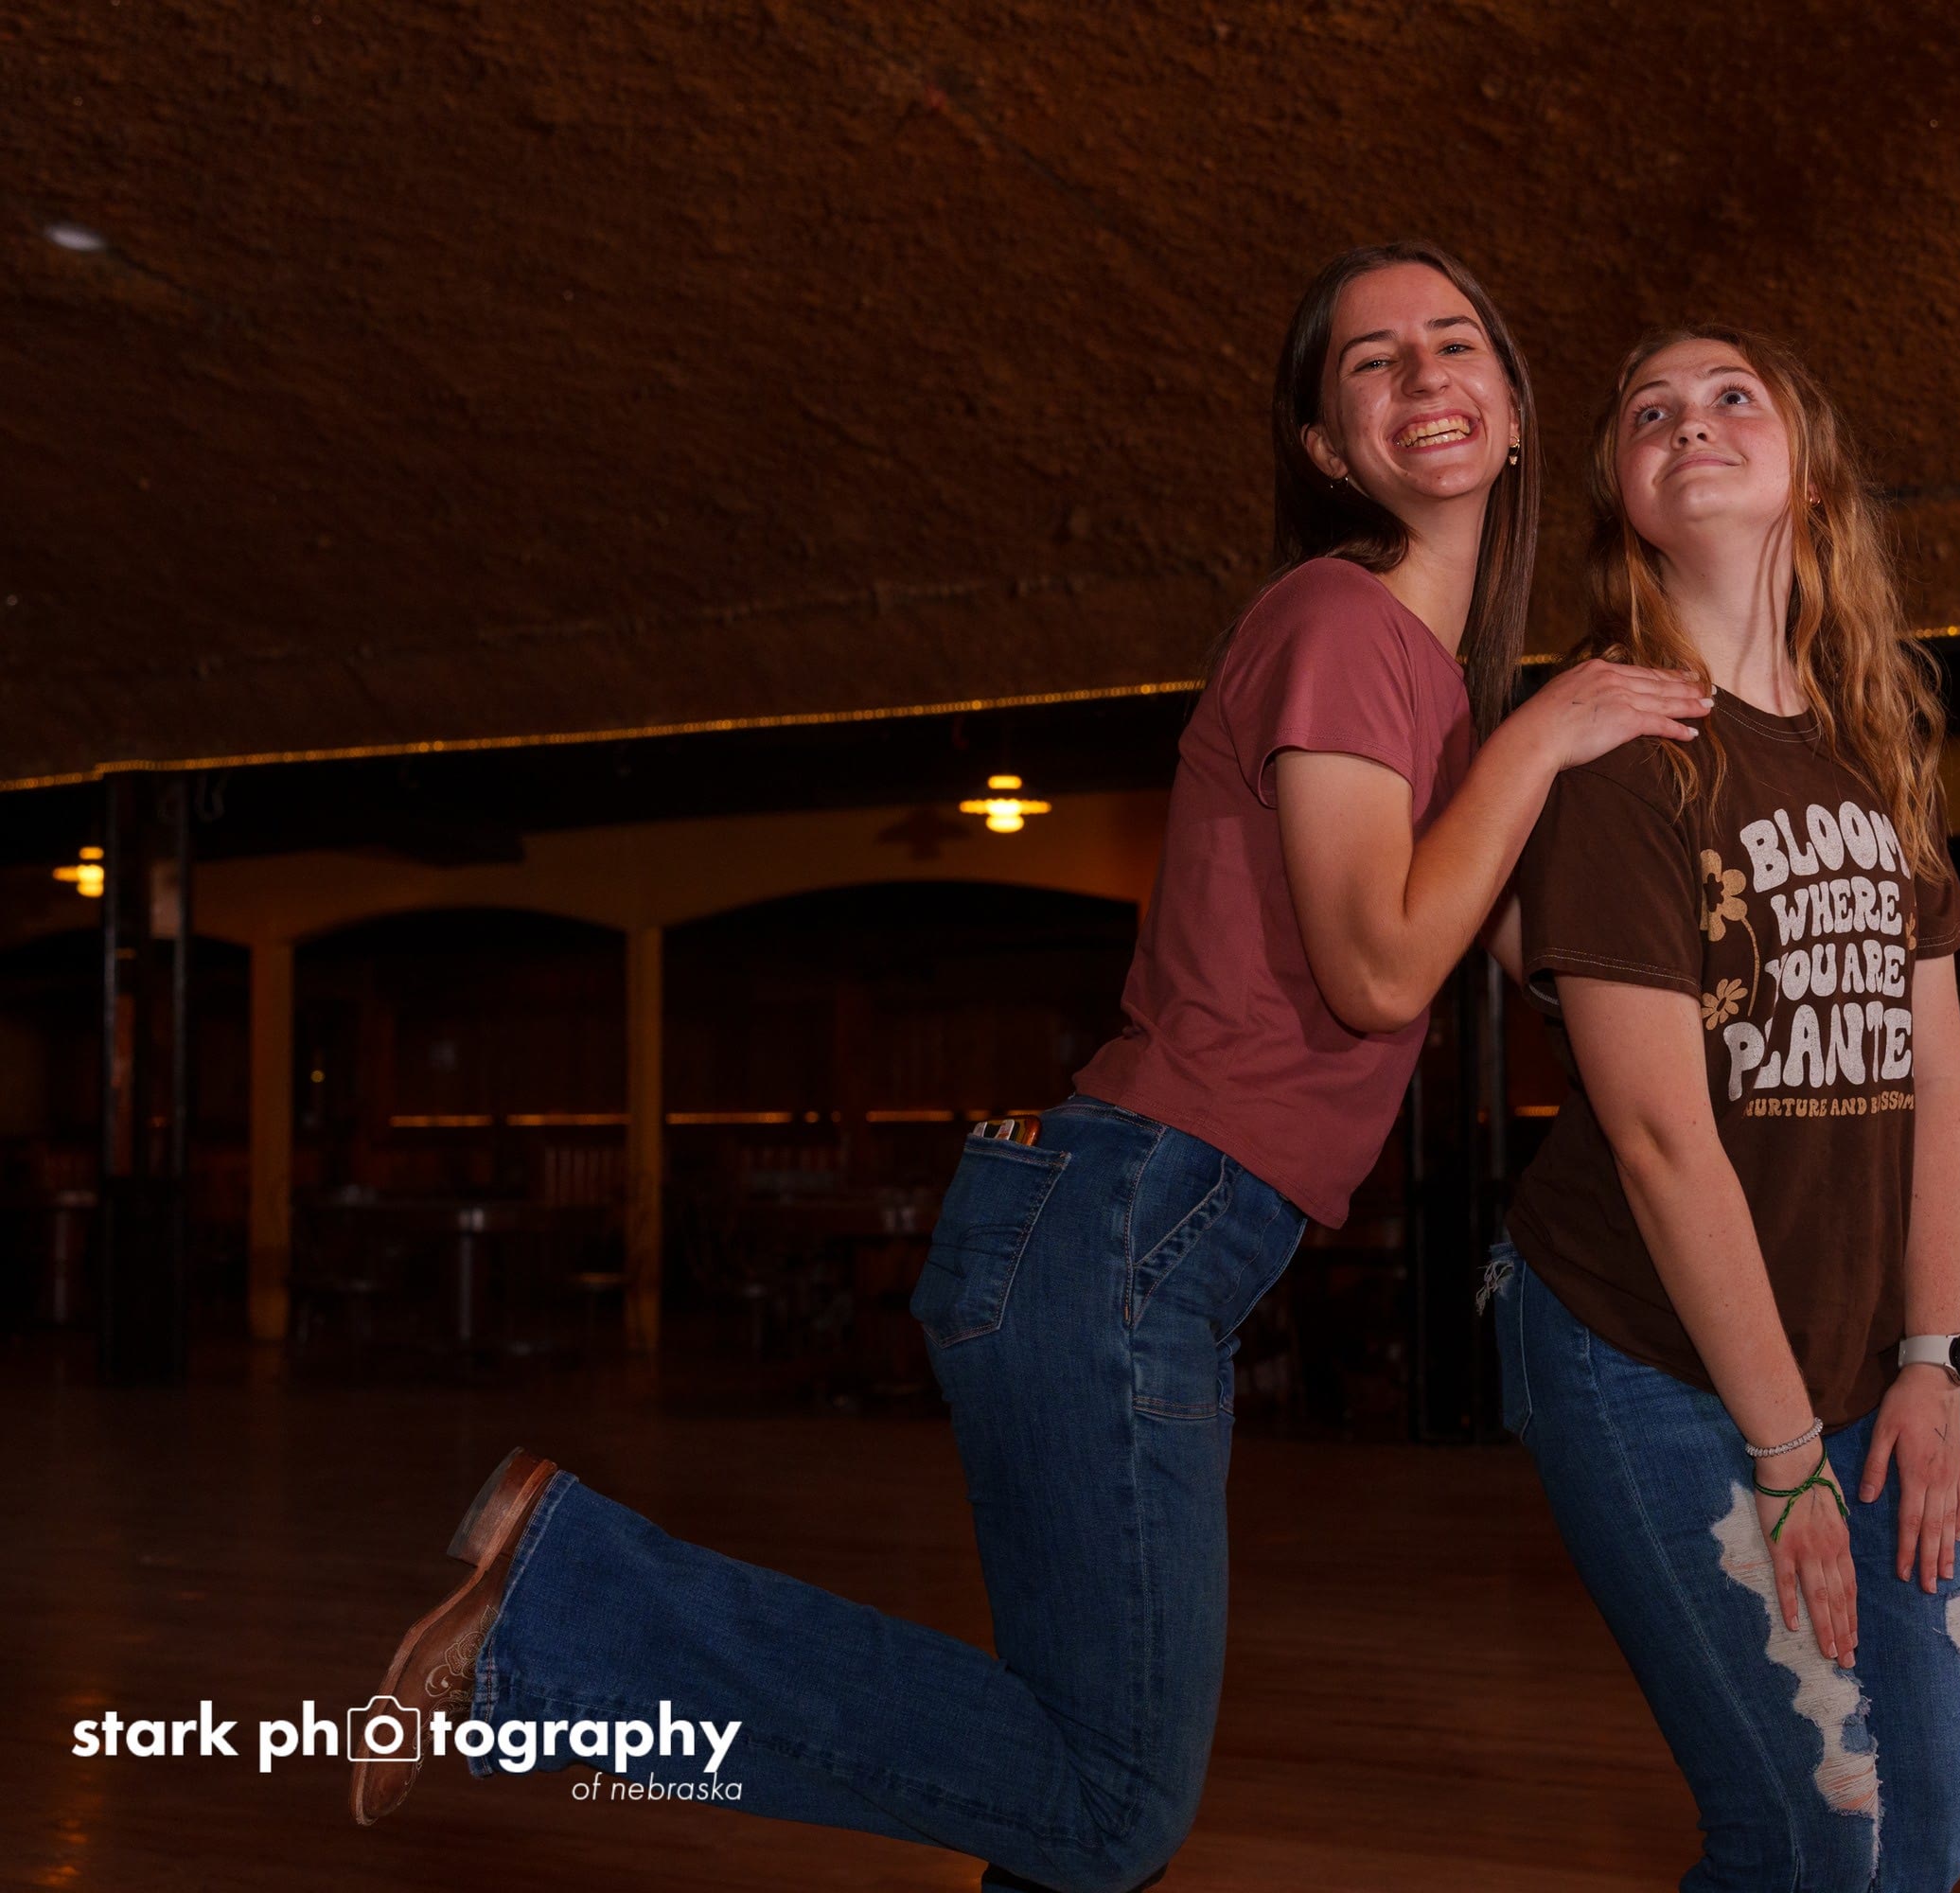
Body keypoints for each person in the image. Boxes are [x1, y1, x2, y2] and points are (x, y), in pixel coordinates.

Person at [347, 241, 1713, 1893]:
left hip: (1137, 1235)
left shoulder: (1431, 691)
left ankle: (561, 1606)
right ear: (1325, 449)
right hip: (1136, 1227)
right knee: (1109, 1803)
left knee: (1063, 1788)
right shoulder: (1345, 623)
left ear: (1514, 413)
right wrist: (1548, 733)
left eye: (1453, 343)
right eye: (1372, 361)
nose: (1423, 375)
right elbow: (1378, 971)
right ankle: (563, 1606)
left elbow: (1537, 957)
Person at [1482, 325, 1960, 1891]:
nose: (1687, 421)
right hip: (1640, 1349)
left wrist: (1932, 1363)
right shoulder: (1619, 751)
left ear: (1809, 473)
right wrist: (1783, 1452)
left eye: (1729, 396)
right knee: (1810, 1836)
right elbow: (1653, 1135)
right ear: (1627, 502)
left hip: (1857, 1365)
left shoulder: (1871, 751)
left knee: (1921, 1845)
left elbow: (1940, 1086)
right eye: (1650, 412)